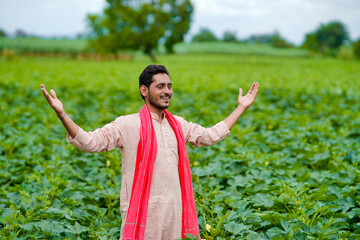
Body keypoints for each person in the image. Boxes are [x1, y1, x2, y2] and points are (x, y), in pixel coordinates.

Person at [41, 65, 259, 240]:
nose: (167, 91)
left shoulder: (178, 125)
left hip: (174, 212)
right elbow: (89, 142)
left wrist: (241, 107)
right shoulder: (127, 125)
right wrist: (62, 115)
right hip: (143, 214)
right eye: (160, 86)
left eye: (170, 86)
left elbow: (210, 135)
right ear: (144, 91)